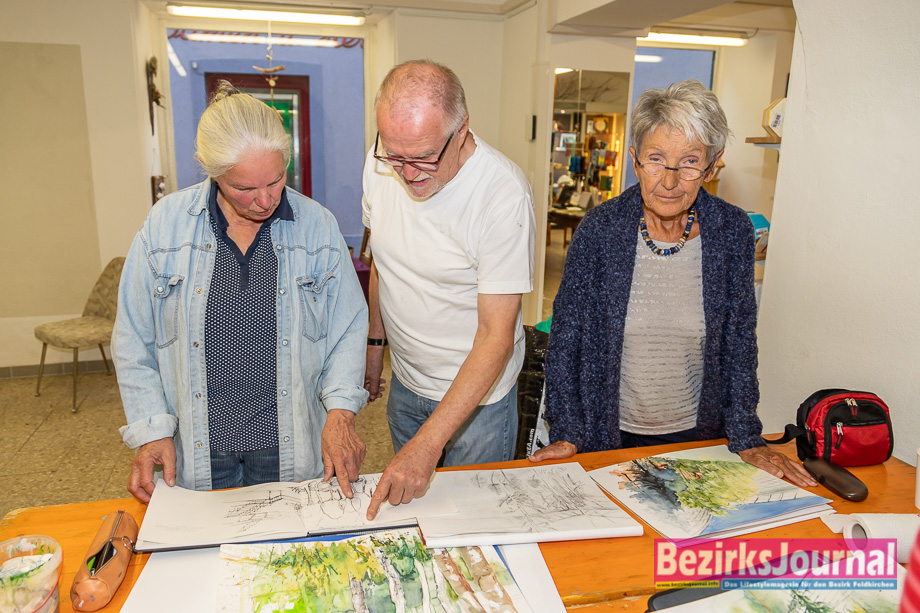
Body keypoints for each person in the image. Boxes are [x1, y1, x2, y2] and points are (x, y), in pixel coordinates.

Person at [530, 79, 816, 488]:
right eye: (656, 159)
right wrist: (567, 431)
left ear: (712, 165)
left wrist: (747, 436)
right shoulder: (600, 229)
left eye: (689, 162)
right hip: (604, 435)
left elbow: (738, 343)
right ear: (635, 160)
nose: (669, 181)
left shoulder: (731, 230)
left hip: (697, 439)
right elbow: (566, 339)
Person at [114, 82, 369, 503]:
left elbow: (348, 329)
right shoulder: (165, 226)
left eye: (276, 180)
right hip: (200, 445)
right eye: (244, 189)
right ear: (210, 170)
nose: (265, 200)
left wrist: (341, 413)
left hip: (288, 441)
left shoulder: (317, 226)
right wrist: (151, 429)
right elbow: (133, 338)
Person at [362, 60, 536, 518]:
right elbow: (383, 262)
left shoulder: (502, 194)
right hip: (406, 382)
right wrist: (375, 346)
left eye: (423, 157)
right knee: (417, 518)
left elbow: (496, 336)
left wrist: (428, 443)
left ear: (461, 130)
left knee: (474, 523)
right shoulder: (380, 164)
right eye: (394, 156)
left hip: (478, 404)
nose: (407, 173)